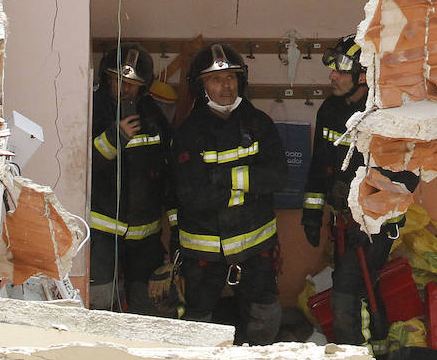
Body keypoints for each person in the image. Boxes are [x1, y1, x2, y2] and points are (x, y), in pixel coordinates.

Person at [302, 35, 418, 348]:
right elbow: (318, 167)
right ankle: (370, 345)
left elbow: (406, 179)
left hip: (374, 227)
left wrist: (370, 217)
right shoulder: (328, 111)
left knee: (348, 287)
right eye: (333, 68)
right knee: (357, 285)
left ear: (364, 75)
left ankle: (358, 351)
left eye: (341, 69)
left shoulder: (388, 116)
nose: (332, 76)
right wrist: (311, 214)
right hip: (341, 223)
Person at [171, 43, 287, 344]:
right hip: (204, 249)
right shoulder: (188, 133)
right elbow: (192, 197)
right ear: (201, 85)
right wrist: (248, 183)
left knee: (265, 313)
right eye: (216, 79)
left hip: (255, 245)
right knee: (198, 322)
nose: (227, 85)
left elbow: (278, 177)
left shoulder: (260, 124)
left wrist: (225, 178)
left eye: (232, 77)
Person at [89, 42, 170, 315]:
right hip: (102, 231)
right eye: (116, 79)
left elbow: (167, 171)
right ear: (105, 77)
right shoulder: (91, 110)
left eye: (131, 83)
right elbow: (80, 167)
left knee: (145, 307)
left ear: (144, 86)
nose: (123, 88)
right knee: (100, 303)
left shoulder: (153, 115)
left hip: (145, 235)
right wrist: (114, 139)